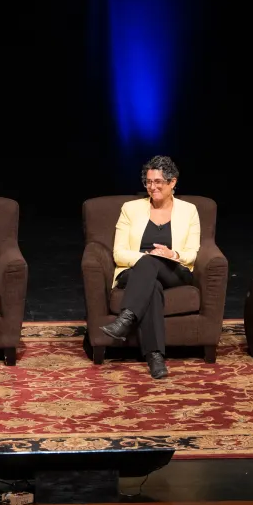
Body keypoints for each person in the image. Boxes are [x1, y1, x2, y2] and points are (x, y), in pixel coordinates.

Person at [100, 155, 200, 379]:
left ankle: (126, 319)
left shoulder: (189, 210)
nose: (152, 187)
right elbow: (119, 253)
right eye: (148, 182)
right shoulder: (130, 209)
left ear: (172, 182)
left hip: (173, 270)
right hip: (135, 271)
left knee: (153, 264)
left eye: (158, 182)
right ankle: (155, 357)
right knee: (151, 284)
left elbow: (192, 253)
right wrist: (146, 257)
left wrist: (171, 254)